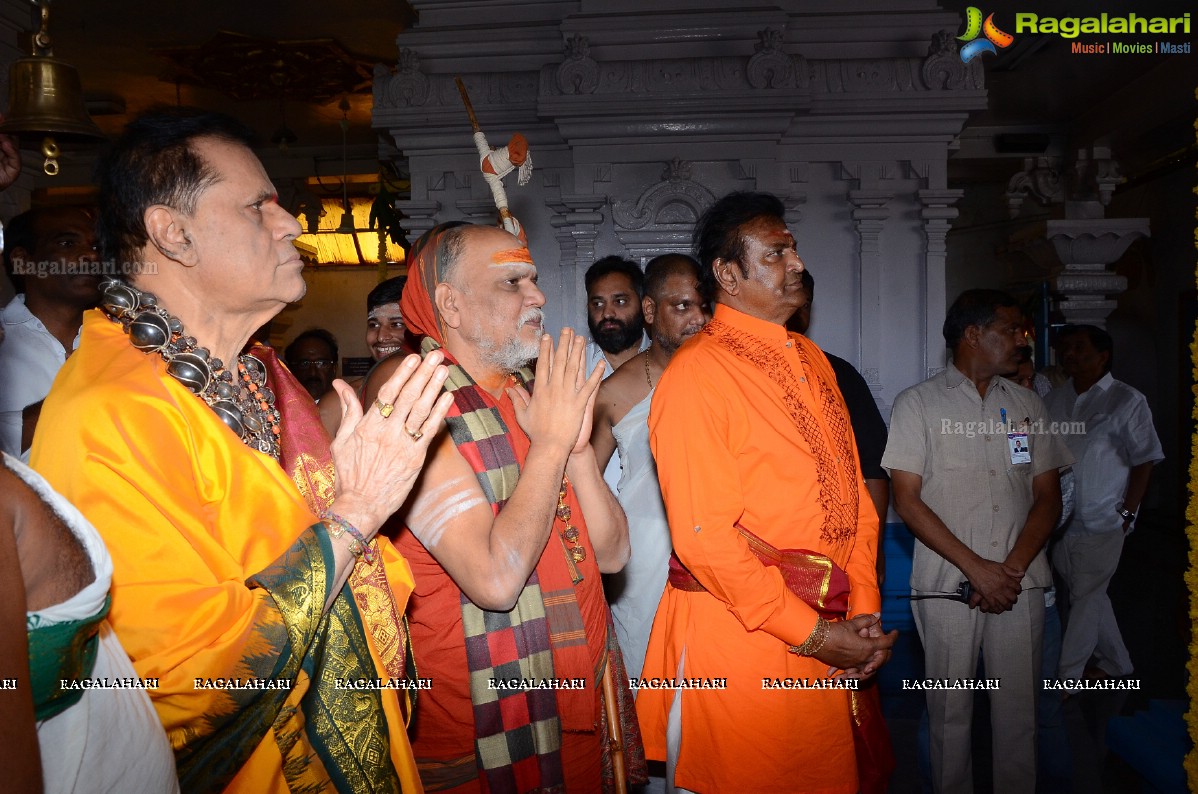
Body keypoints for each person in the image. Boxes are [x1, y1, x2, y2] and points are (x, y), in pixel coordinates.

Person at [30, 106, 453, 793]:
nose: (290, 224)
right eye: (259, 206)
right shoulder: (108, 413)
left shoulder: (260, 369)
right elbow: (193, 681)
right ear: (174, 233)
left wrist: (338, 496)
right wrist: (356, 511)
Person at [363, 222, 645, 793]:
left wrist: (574, 449)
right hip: (483, 732)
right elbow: (495, 581)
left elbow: (613, 554)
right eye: (513, 281)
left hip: (582, 705)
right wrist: (549, 444)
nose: (537, 296)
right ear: (451, 305)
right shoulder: (412, 389)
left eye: (534, 280)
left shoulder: (531, 389)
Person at [639, 191, 896, 794]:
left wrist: (861, 608)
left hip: (829, 620)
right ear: (728, 275)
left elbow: (853, 499)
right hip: (741, 636)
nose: (797, 264)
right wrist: (811, 633)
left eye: (794, 250)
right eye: (777, 253)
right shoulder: (697, 375)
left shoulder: (812, 359)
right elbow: (705, 541)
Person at [883, 288, 1072, 794]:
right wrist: (978, 569)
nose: (1021, 340)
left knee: (1019, 717)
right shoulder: (917, 405)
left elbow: (1047, 498)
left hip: (1019, 586)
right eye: (1010, 329)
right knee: (950, 717)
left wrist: (1007, 570)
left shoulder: (1028, 403)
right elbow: (907, 500)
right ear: (973, 335)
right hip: (947, 589)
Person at [590, 253, 709, 683]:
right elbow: (582, 484)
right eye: (682, 307)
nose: (697, 318)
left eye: (704, 306)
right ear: (650, 311)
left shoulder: (729, 378)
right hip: (644, 559)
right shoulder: (614, 392)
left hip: (721, 555)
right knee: (648, 683)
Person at [1045, 324, 1163, 682]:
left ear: (1102, 355)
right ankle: (1118, 665)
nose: (1070, 355)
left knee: (1086, 599)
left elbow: (1145, 460)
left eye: (1079, 348)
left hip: (1105, 520)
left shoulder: (1126, 400)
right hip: (1060, 520)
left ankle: (1066, 678)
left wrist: (1127, 511)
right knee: (1089, 594)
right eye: (1066, 348)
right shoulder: (1053, 399)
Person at [788, 269, 891, 581]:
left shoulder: (838, 374)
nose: (794, 313)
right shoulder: (731, 370)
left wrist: (874, 549)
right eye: (787, 301)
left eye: (803, 305)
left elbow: (873, 470)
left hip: (840, 549)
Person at [0, 205, 100, 456]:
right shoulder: (3, 338)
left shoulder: (124, 340)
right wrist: (75, 389)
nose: (90, 255)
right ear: (23, 261)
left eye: (97, 247)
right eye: (67, 243)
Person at [317, 275, 410, 437]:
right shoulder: (338, 404)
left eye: (396, 324)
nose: (381, 336)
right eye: (373, 325)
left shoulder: (447, 390)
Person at [284, 327, 338, 400]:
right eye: (304, 364)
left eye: (321, 363)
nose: (313, 372)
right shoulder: (275, 408)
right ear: (289, 369)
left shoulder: (348, 407)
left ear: (334, 368)